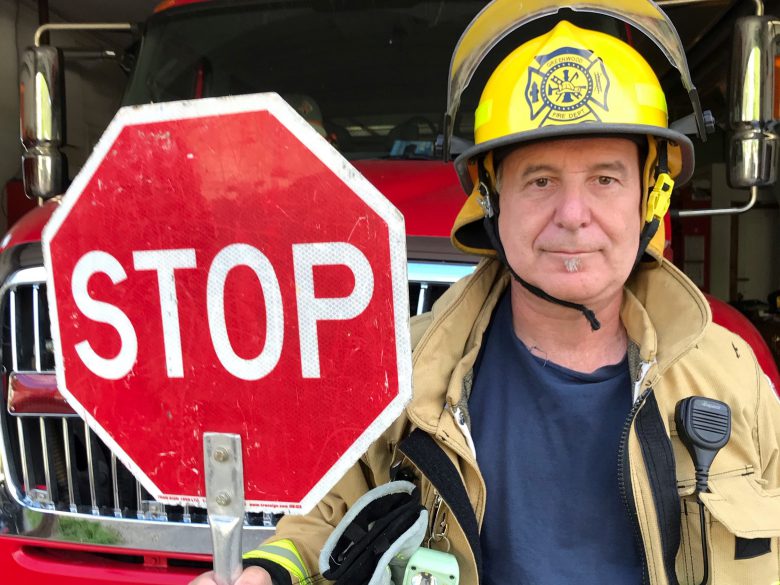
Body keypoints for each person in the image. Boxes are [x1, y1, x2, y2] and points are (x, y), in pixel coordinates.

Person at [192, 6, 780, 585]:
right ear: (490, 200)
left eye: (605, 178)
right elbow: (322, 520)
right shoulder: (405, 376)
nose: (574, 216)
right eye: (541, 180)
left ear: (651, 196)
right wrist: (266, 574)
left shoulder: (731, 376)